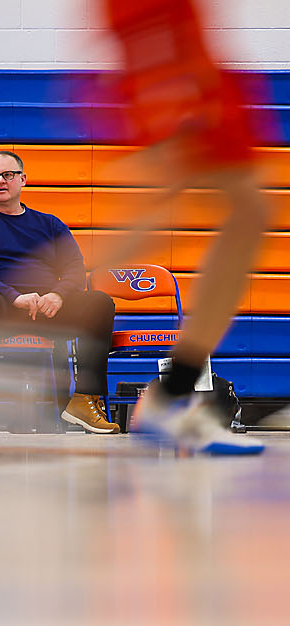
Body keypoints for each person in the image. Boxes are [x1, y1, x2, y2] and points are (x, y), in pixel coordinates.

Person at [100, 0, 268, 455]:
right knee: (167, 201)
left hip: (188, 50)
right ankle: (10, 322)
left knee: (247, 211)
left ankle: (174, 394)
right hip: (165, 43)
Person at [0, 150, 120, 435]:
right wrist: (12, 296)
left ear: (23, 179)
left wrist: (58, 295)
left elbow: (76, 266)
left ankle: (83, 400)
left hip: (49, 309)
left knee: (99, 303)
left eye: (8, 175)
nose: (0, 181)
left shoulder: (49, 224)